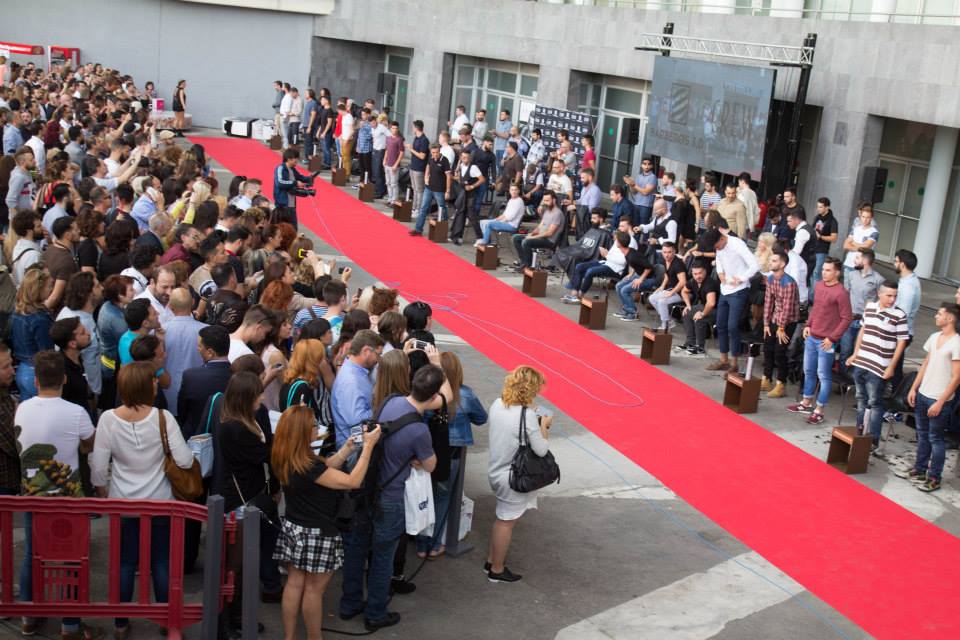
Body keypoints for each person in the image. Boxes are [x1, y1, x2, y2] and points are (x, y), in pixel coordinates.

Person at [90, 361, 194, 639]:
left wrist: (102, 491)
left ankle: (121, 623)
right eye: (153, 380)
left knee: (124, 563)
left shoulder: (108, 419)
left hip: (122, 502)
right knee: (161, 562)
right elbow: (183, 459)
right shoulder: (163, 418)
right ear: (146, 385)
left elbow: (99, 467)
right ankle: (165, 621)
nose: (157, 383)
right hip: (160, 502)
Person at [340, 365, 441, 631]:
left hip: (367, 488)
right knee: (383, 556)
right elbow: (430, 465)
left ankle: (349, 603)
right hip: (391, 497)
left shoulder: (391, 402)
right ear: (432, 399)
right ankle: (375, 612)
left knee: (357, 548)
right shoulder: (419, 431)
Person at [271, 405, 380, 640]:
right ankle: (314, 637)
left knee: (294, 583)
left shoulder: (288, 457)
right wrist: (368, 447)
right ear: (301, 432)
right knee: (314, 589)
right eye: (312, 425)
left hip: (294, 527)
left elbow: (324, 470)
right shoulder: (309, 466)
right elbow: (352, 481)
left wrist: (348, 449)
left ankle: (289, 637)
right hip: (318, 532)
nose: (316, 428)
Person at [16, 350, 97, 639]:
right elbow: (90, 443)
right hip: (68, 497)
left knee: (32, 555)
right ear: (64, 378)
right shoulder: (76, 412)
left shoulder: (22, 408)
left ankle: (28, 616)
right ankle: (70, 624)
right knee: (72, 559)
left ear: (35, 381)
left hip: (33, 495)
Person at [215, 371, 278, 635]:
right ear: (245, 398)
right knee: (236, 569)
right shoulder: (236, 428)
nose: (262, 397)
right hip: (240, 503)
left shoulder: (240, 420)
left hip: (247, 498)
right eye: (258, 394)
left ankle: (236, 618)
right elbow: (265, 454)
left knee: (240, 567)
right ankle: (227, 623)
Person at [417, 351, 487, 558]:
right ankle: (434, 544)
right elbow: (481, 418)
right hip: (453, 454)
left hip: (426, 451)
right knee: (442, 498)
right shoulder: (465, 395)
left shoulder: (427, 396)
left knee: (423, 497)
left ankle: (421, 542)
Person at [486, 365, 551, 584]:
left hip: (497, 470)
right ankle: (496, 569)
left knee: (502, 519)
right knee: (506, 522)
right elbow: (541, 450)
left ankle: (492, 560)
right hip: (513, 477)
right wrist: (544, 427)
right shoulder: (527, 416)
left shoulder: (497, 404)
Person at [787, 258, 853, 424]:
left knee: (823, 376)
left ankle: (819, 410)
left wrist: (832, 338)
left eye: (828, 270)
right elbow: (815, 308)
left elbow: (846, 318)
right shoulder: (818, 286)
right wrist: (808, 325)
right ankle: (806, 402)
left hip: (826, 341)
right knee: (809, 371)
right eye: (823, 269)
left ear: (837, 272)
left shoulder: (841, 293)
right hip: (812, 336)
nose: (824, 272)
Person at [903, 303, 960, 493]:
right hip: (923, 395)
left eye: (940, 314)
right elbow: (925, 365)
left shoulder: (957, 343)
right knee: (922, 434)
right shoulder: (934, 337)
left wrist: (941, 401)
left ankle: (935, 477)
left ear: (950, 318)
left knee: (936, 439)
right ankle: (920, 469)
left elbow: (956, 378)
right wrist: (913, 389)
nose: (936, 316)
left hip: (938, 399)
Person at [845, 281, 908, 447]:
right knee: (861, 400)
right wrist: (855, 354)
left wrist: (891, 366)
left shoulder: (899, 315)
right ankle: (860, 434)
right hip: (862, 362)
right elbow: (863, 331)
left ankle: (872, 441)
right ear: (879, 294)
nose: (892, 299)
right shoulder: (870, 308)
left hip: (879, 367)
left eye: (895, 296)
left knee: (875, 403)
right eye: (889, 295)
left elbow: (901, 343)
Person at [703, 229, 760, 374]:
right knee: (721, 325)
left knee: (732, 326)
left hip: (739, 290)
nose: (717, 249)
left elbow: (755, 265)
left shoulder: (737, 244)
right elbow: (719, 259)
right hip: (725, 289)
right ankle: (724, 360)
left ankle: (734, 362)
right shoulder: (719, 247)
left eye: (717, 246)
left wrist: (741, 278)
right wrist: (721, 273)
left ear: (722, 239)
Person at [331, 330, 384, 446]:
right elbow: (356, 420)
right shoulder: (351, 381)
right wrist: (380, 408)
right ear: (366, 351)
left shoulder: (357, 372)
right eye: (378, 354)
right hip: (354, 451)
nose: (379, 360)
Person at [761, 250, 800, 399]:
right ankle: (767, 379)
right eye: (771, 260)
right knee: (768, 347)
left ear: (782, 264)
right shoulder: (770, 279)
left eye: (774, 261)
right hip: (775, 318)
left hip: (789, 321)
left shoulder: (789, 283)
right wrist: (766, 323)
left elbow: (788, 307)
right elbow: (768, 302)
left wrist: (781, 328)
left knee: (780, 351)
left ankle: (781, 384)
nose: (771, 263)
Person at [10, 268, 54, 401]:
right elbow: (47, 352)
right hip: (37, 373)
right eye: (49, 286)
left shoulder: (17, 313)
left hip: (22, 371)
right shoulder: (39, 319)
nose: (51, 290)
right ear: (38, 290)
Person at [839, 248, 885, 375]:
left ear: (865, 260)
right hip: (849, 319)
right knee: (845, 350)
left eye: (857, 258)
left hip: (865, 322)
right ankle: (842, 379)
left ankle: (855, 380)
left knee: (861, 353)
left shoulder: (878, 280)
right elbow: (845, 294)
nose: (854, 260)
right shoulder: (851, 275)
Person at [162, 288, 206, 413]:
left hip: (167, 393)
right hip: (197, 393)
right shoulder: (205, 332)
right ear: (193, 302)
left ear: (170, 306)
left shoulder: (160, 332)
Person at [562, 231, 630, 305]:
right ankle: (574, 293)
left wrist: (606, 255)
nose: (614, 239)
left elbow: (622, 262)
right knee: (579, 266)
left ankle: (580, 295)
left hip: (615, 269)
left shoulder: (626, 248)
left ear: (620, 241)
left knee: (590, 271)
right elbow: (611, 255)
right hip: (606, 263)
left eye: (616, 239)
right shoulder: (616, 243)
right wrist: (606, 252)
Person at [892, 249, 921, 395]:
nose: (894, 264)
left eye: (896, 261)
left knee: (894, 368)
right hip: (902, 332)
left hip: (900, 333)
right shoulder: (908, 280)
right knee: (894, 367)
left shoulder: (908, 285)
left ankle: (894, 405)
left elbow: (903, 312)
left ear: (902, 264)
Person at [511, 191, 565, 270]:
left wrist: (532, 237)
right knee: (516, 238)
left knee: (526, 242)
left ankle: (527, 265)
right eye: (544, 200)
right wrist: (531, 234)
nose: (545, 203)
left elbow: (549, 233)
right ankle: (523, 261)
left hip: (549, 241)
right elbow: (539, 227)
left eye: (547, 201)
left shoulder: (557, 213)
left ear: (554, 200)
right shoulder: (547, 211)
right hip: (540, 237)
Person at [411, 144, 451, 238]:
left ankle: (444, 228)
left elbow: (448, 177)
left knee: (442, 209)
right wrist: (426, 177)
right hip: (429, 188)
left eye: (437, 152)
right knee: (423, 208)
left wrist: (448, 191)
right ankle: (418, 229)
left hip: (439, 190)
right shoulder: (431, 158)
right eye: (433, 153)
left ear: (440, 151)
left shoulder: (445, 161)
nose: (435, 154)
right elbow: (428, 167)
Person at [679, 260, 719, 356]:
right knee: (687, 313)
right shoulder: (693, 281)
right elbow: (684, 291)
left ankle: (700, 347)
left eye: (700, 273)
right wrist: (688, 305)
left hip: (718, 310)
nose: (698, 276)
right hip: (705, 306)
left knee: (699, 318)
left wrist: (702, 313)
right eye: (695, 273)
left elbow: (711, 303)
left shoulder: (710, 283)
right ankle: (690, 342)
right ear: (692, 273)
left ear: (705, 271)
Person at [645, 242, 687, 331]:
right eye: (664, 252)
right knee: (652, 298)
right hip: (672, 289)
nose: (666, 255)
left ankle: (665, 326)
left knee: (661, 302)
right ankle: (669, 320)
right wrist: (662, 287)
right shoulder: (666, 261)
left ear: (674, 251)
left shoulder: (678, 264)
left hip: (682, 293)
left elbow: (683, 282)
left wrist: (671, 292)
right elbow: (667, 275)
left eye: (669, 252)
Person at [273, 148, 315, 228]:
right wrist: (296, 183)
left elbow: (300, 177)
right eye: (296, 159)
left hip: (291, 205)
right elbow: (280, 183)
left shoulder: (292, 169)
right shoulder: (280, 168)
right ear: (289, 159)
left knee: (293, 230)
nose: (297, 161)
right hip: (282, 206)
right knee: (283, 231)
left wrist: (310, 178)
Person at [477, 183, 524, 247]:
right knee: (483, 222)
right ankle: (487, 241)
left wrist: (497, 221)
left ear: (519, 191)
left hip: (512, 225)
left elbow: (510, 218)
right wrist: (496, 219)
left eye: (515, 190)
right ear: (509, 191)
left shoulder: (518, 201)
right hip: (507, 222)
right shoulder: (511, 200)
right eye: (512, 190)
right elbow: (505, 214)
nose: (514, 191)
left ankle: (485, 242)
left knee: (489, 224)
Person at [842, 202, 879, 275]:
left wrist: (853, 242)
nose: (865, 220)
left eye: (868, 217)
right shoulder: (856, 229)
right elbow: (845, 245)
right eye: (863, 217)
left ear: (871, 218)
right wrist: (861, 246)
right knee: (846, 286)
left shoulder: (874, 232)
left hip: (861, 265)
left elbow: (866, 248)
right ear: (860, 216)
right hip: (849, 262)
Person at [811, 197, 838, 292]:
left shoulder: (832, 221)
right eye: (818, 207)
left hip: (822, 250)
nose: (818, 209)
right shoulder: (817, 217)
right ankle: (811, 296)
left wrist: (821, 237)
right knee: (811, 272)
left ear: (827, 207)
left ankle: (815, 297)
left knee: (817, 273)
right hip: (812, 248)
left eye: (821, 207)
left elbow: (834, 238)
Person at [0, 344, 17, 495]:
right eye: (6, 367)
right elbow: (13, 444)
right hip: (4, 482)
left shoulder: (6, 396)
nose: (12, 370)